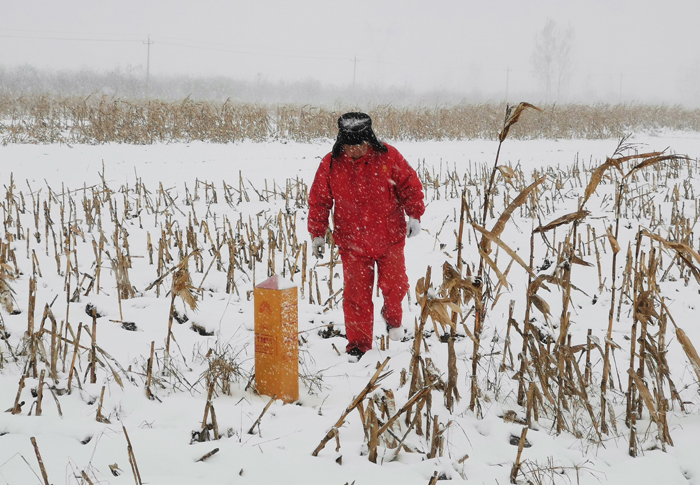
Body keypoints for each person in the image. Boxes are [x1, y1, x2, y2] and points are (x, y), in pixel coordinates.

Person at [308, 112, 425, 362]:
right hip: (352, 245)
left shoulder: (388, 157)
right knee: (356, 297)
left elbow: (410, 185)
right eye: (350, 146)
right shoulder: (330, 163)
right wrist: (317, 233)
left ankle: (392, 317)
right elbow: (319, 200)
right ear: (342, 143)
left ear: (369, 141)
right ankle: (359, 347)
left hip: (389, 239)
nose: (355, 151)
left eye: (360, 145)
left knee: (396, 287)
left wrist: (414, 215)